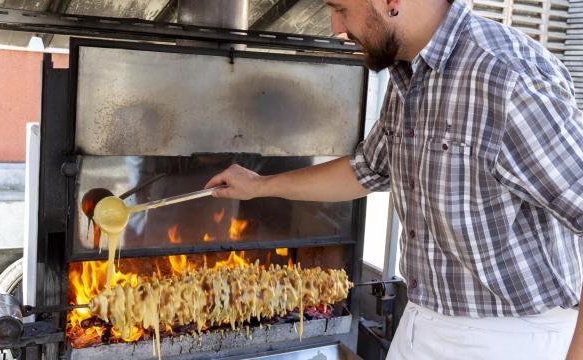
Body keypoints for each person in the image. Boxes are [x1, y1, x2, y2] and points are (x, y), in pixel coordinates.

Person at [205, 0, 583, 358]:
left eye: (341, 8)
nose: (337, 27)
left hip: (513, 336)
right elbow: (366, 170)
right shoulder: (408, 74)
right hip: (424, 320)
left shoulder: (507, 76)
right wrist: (259, 186)